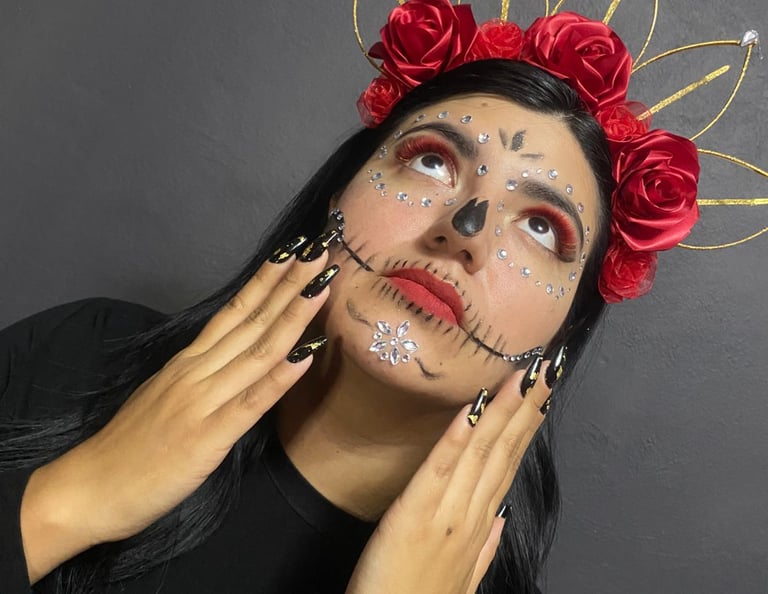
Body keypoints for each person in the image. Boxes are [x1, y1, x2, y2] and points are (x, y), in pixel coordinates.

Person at [0, 2, 700, 593]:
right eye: (432, 161)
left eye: (543, 228)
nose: (465, 230)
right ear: (341, 189)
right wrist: (66, 504)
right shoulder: (80, 357)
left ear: (562, 336)